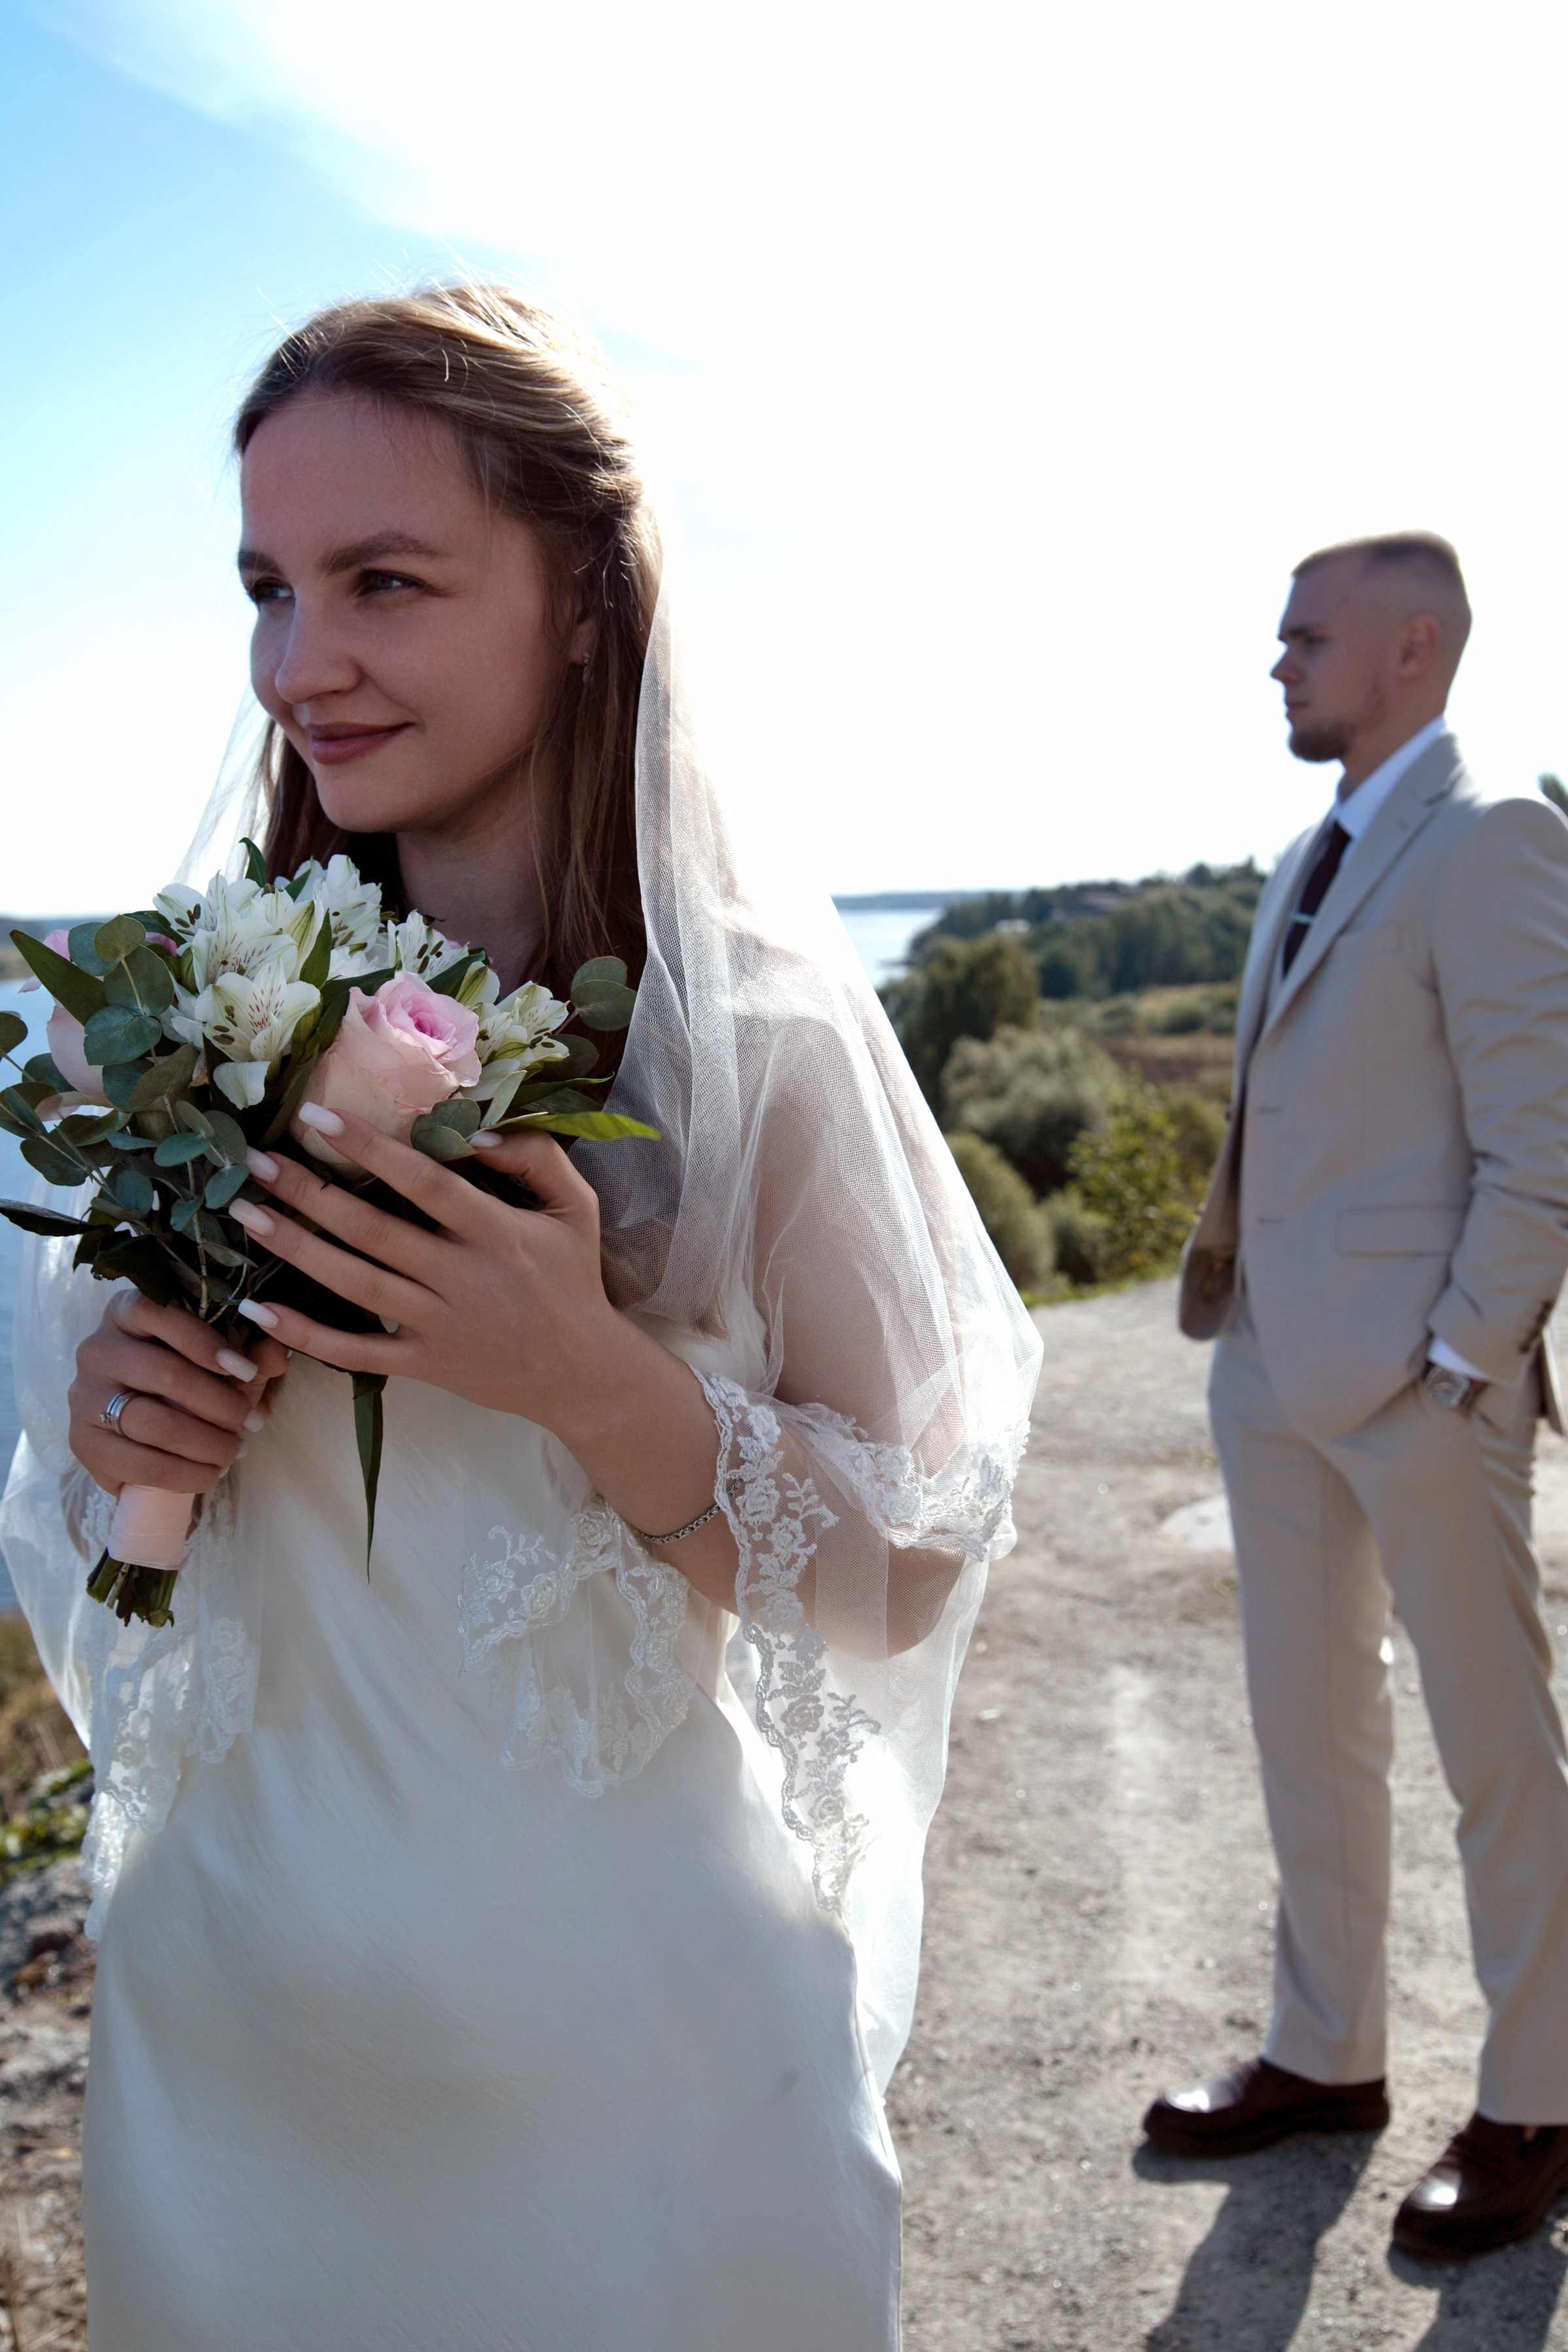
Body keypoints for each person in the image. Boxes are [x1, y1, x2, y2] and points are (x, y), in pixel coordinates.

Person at [0, 286, 1041, 2349]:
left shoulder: (757, 1039)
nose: (305, 664)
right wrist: (121, 1428)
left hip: (623, 2085)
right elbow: (99, 1505)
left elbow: (906, 1575)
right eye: (269, 588)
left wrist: (589, 1376)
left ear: (580, 596)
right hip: (230, 2032)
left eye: (385, 580)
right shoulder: (181, 1023)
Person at [1143, 533, 1568, 2261]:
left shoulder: (1498, 837)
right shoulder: (1319, 845)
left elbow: (1543, 1139)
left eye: (1305, 637)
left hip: (1423, 1389)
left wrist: (1470, 1356)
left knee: (1497, 1756)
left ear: (1412, 648)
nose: (1279, 663)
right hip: (1276, 1373)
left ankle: (1539, 2104)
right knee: (1307, 1735)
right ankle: (1328, 2057)